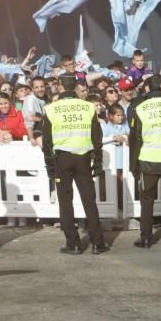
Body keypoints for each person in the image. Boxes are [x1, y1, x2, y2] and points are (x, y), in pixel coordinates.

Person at [41, 75, 109, 255]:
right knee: (89, 200)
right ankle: (97, 243)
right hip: (83, 157)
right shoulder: (88, 107)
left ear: (60, 86)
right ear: (76, 86)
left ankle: (73, 243)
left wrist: (49, 165)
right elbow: (97, 136)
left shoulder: (51, 109)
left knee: (65, 202)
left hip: (62, 158)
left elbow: (46, 141)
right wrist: (99, 159)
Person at [127, 74, 161, 248]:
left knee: (146, 201)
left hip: (149, 159)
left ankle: (146, 237)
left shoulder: (140, 108)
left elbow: (135, 140)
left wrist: (133, 164)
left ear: (147, 89)